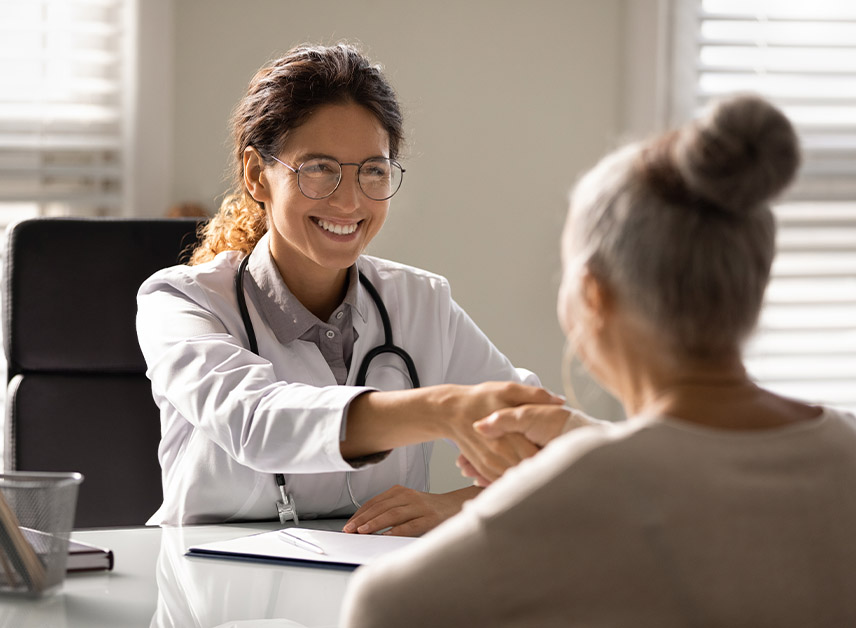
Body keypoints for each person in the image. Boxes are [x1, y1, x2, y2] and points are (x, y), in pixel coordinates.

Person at [340, 94, 856, 626]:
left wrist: (578, 463)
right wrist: (588, 438)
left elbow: (378, 607)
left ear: (593, 296)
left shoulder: (577, 489)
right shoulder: (846, 446)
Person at [136, 42, 565, 532]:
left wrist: (462, 505)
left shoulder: (421, 303)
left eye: (372, 171)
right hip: (214, 597)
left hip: (373, 593)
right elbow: (256, 422)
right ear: (258, 175)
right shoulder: (182, 301)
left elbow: (556, 446)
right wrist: (442, 410)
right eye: (319, 169)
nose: (349, 200)